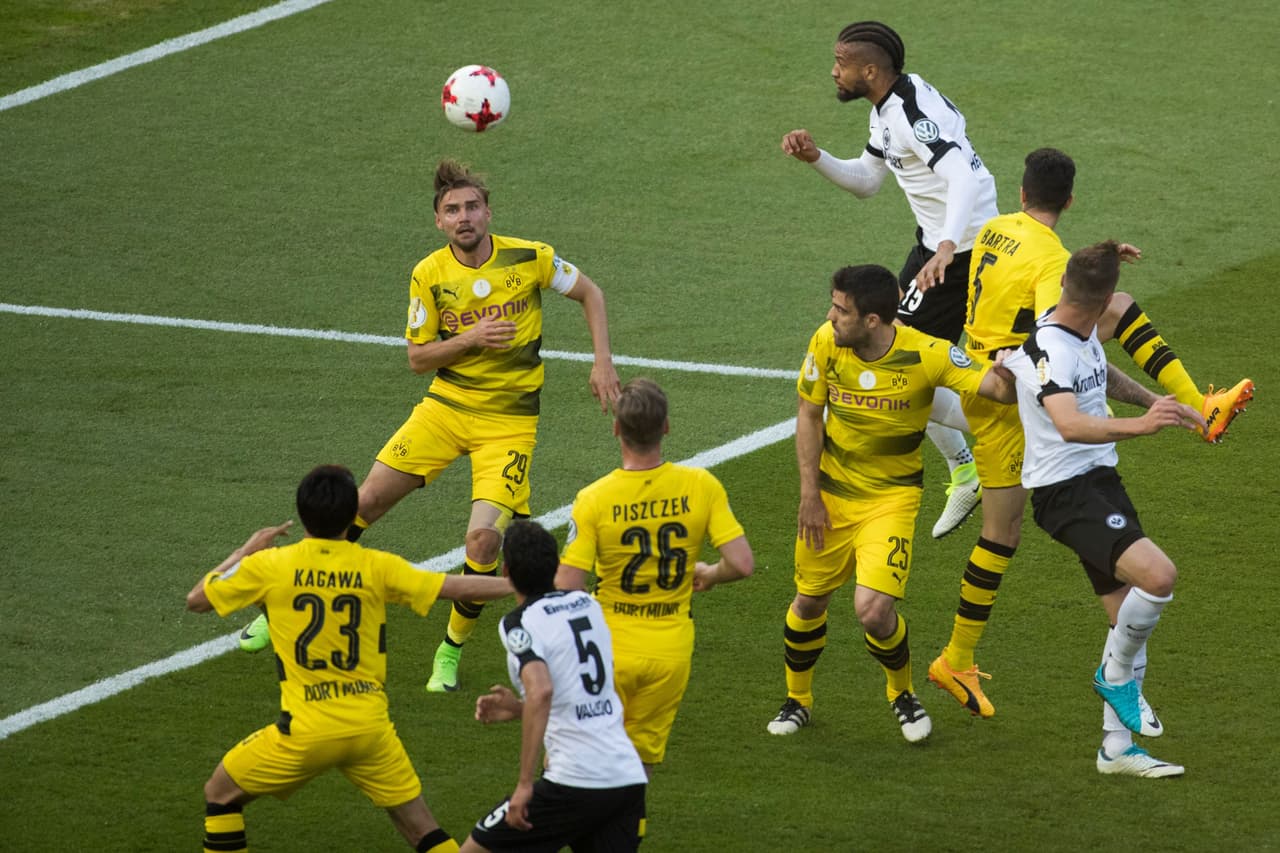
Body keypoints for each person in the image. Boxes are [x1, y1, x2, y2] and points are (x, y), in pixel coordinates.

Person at [234, 159, 625, 691]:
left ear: (488, 212)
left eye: (471, 207)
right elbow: (419, 359)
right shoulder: (429, 274)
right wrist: (470, 339)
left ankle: (449, 652)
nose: (463, 217)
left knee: (484, 541)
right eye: (451, 211)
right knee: (364, 500)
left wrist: (602, 361)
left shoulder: (530, 257)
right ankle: (279, 605)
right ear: (439, 222)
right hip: (445, 408)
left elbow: (591, 293)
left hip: (508, 423)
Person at [926, 148, 1255, 719]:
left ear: (1021, 191)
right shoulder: (1052, 262)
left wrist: (1101, 257)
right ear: (1069, 200)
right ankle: (1199, 403)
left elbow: (1056, 281)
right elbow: (1066, 333)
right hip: (1014, 400)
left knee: (1001, 535)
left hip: (981, 381)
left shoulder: (997, 228)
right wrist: (1153, 402)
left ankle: (957, 657)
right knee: (1117, 308)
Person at [186, 464, 514, 853]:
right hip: (369, 730)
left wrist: (244, 551)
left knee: (220, 793)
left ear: (303, 511)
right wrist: (517, 584)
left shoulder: (270, 566)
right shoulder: (376, 566)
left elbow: (197, 601)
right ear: (351, 513)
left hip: (306, 731)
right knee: (423, 831)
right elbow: (455, 585)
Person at [766, 264, 1014, 744]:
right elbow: (809, 414)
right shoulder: (825, 342)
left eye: (841, 310)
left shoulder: (928, 353)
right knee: (809, 600)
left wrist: (1014, 366)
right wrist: (808, 494)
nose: (830, 316)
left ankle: (901, 694)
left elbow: (997, 390)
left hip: (891, 499)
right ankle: (798, 700)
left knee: (874, 611)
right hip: (830, 496)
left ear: (874, 320)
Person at [781, 20, 999, 539]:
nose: (834, 71)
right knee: (900, 361)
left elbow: (965, 177)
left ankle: (1011, 438)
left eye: (841, 63)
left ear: (870, 70)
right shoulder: (888, 109)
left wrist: (946, 247)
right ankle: (973, 464)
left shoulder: (910, 112)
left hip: (965, 253)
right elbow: (867, 181)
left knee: (893, 359)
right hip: (941, 245)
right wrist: (817, 159)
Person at [1001, 241, 1203, 777]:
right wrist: (1142, 426)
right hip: (1065, 492)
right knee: (1159, 577)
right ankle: (1112, 679)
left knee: (1125, 621)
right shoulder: (1051, 347)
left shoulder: (1080, 327)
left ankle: (1115, 750)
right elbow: (1068, 421)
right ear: (1105, 298)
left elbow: (1102, 375)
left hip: (1099, 481)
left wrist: (1157, 403)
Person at [555, 379, 754, 800]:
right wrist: (708, 573)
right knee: (635, 775)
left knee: (572, 768)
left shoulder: (593, 499)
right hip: (670, 651)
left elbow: (567, 587)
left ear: (616, 430)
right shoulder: (700, 486)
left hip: (608, 650)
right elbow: (741, 563)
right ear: (666, 427)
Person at [460, 521, 647, 852]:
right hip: (625, 776)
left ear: (506, 571)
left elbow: (542, 690)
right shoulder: (589, 605)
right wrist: (521, 710)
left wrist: (523, 785)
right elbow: (580, 692)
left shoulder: (519, 623)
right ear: (555, 565)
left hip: (574, 781)